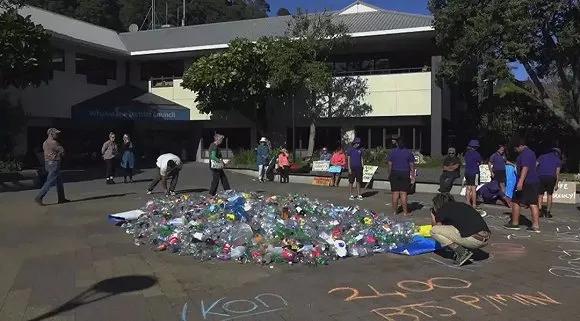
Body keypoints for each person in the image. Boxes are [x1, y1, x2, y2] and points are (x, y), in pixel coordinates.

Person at [430, 193, 491, 266]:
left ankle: (462, 252)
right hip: (485, 238)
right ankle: (466, 249)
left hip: (474, 240)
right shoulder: (462, 205)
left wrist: (433, 215)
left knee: (434, 230)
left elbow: (437, 227)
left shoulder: (443, 208)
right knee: (460, 228)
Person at [504, 137, 541, 233]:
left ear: (520, 146)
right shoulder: (530, 153)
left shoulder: (526, 154)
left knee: (529, 202)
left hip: (528, 182)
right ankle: (518, 223)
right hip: (531, 181)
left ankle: (532, 225)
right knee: (517, 200)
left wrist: (520, 182)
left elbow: (525, 168)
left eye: (516, 148)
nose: (515, 150)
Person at [35, 128, 69, 205]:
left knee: (59, 182)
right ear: (51, 134)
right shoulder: (54, 143)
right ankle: (39, 197)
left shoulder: (45, 143)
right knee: (49, 181)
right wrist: (61, 153)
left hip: (48, 163)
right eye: (56, 133)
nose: (57, 135)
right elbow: (63, 152)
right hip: (54, 163)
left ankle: (61, 198)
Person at [387, 138, 415, 215]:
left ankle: (394, 211)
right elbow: (411, 165)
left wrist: (389, 174)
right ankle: (405, 212)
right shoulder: (408, 152)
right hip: (405, 173)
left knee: (395, 193)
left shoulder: (392, 152)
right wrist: (413, 175)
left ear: (397, 143)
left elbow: (390, 164)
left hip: (395, 172)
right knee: (403, 193)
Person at [537, 147, 562, 218]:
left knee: (540, 195)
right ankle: (547, 212)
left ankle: (539, 211)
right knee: (549, 195)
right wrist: (556, 184)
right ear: (558, 153)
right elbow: (557, 173)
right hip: (551, 177)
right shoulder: (558, 160)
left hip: (541, 176)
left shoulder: (542, 156)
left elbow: (535, 164)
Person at [464, 139, 482, 209]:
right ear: (476, 147)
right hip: (475, 173)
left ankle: (467, 202)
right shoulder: (477, 154)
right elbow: (480, 162)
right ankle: (474, 204)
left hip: (467, 172)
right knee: (474, 189)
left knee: (468, 188)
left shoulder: (467, 153)